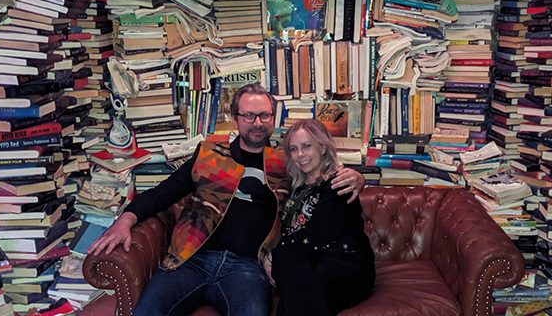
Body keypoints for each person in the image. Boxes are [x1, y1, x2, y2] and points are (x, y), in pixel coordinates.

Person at [88, 83, 366, 316]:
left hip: (246, 267)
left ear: (273, 118)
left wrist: (356, 177)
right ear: (236, 118)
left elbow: (320, 178)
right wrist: (125, 219)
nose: (257, 123)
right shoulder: (208, 155)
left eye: (265, 116)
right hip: (190, 259)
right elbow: (164, 192)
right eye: (249, 116)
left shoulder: (287, 162)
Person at [269, 119, 375, 316]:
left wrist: (274, 255)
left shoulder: (340, 182)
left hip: (344, 264)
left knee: (300, 284)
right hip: (307, 261)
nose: (300, 155)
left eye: (306, 146)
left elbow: (317, 234)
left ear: (323, 148)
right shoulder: (295, 185)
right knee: (295, 276)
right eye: (293, 149)